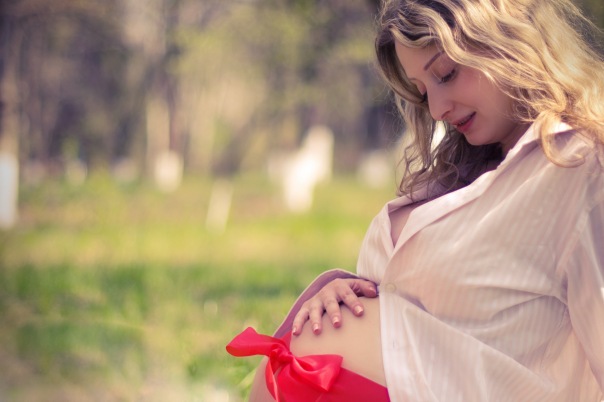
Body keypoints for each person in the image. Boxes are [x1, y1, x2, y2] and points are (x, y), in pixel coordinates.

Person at [227, 0, 604, 400]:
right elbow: (438, 317)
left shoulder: (581, 168)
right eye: (423, 91)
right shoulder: (463, 169)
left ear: (509, 37)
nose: (437, 110)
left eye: (446, 74)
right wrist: (345, 292)